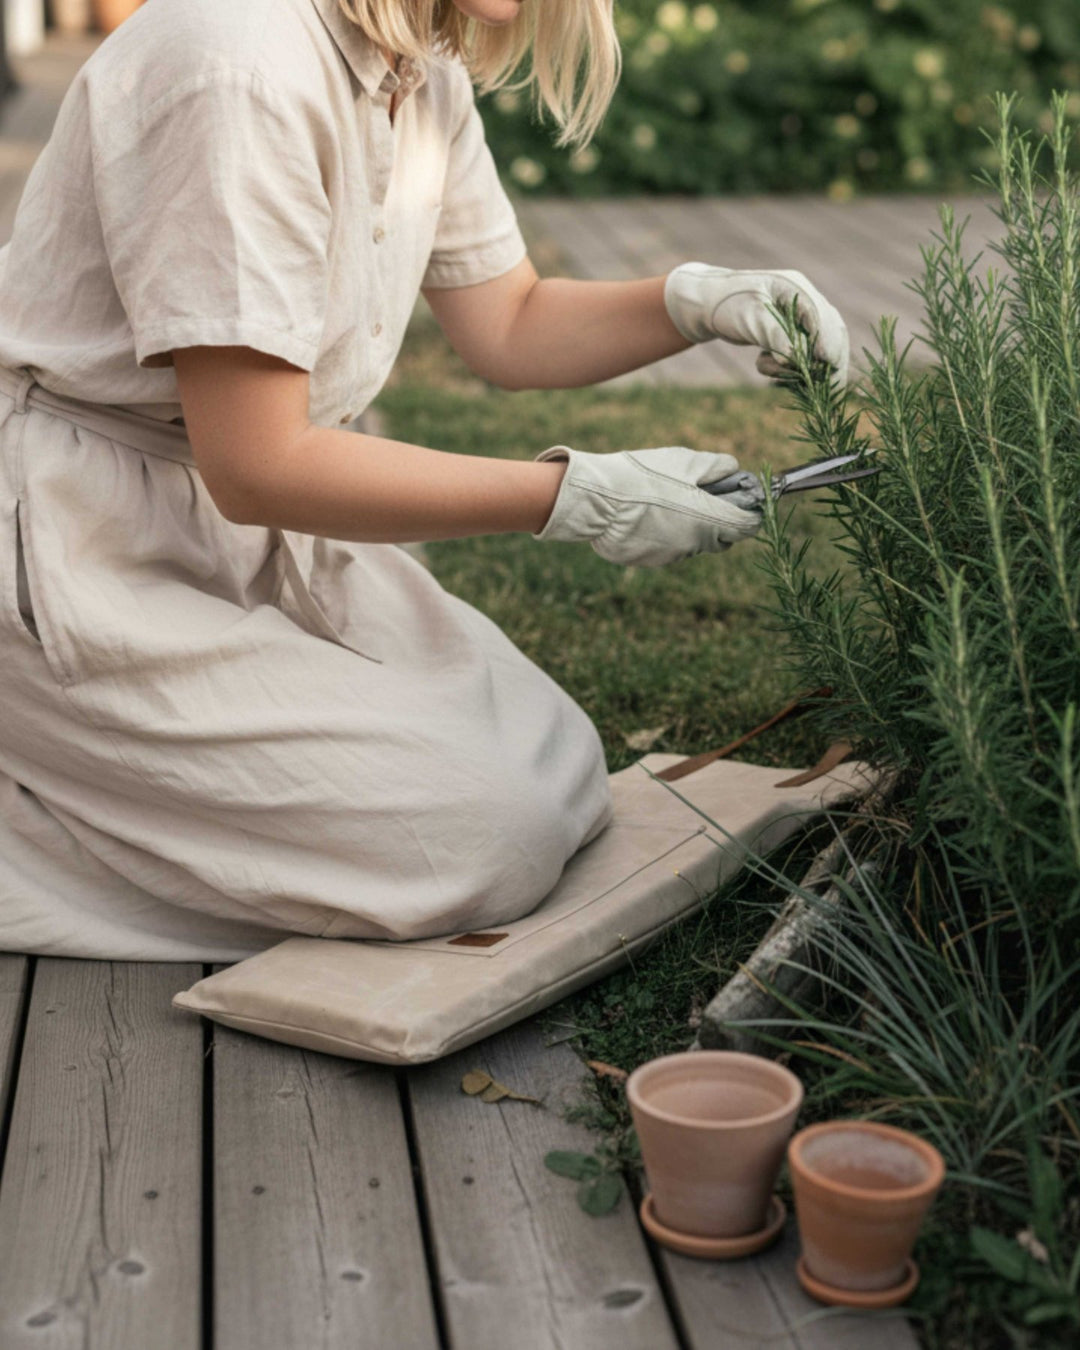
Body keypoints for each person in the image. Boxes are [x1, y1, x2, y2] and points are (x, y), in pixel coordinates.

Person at [0, 0, 849, 962]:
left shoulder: (418, 64)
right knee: (483, 837)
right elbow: (260, 463)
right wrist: (571, 496)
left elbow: (512, 320)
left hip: (242, 522)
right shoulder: (238, 61)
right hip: (80, 544)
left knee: (557, 765)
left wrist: (695, 300)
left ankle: (122, 791)